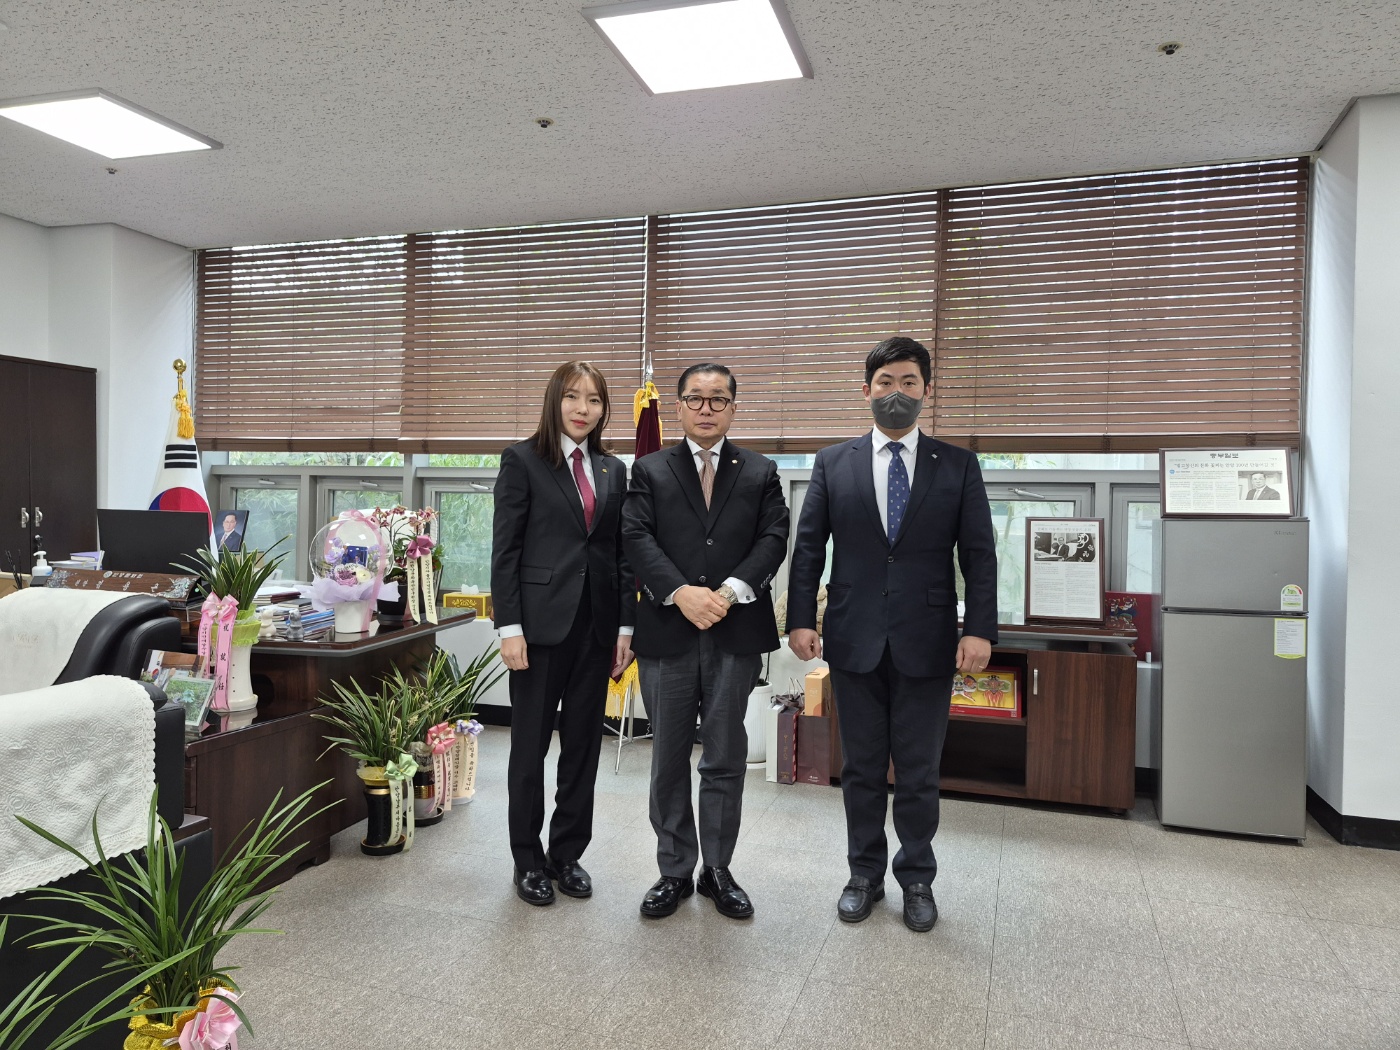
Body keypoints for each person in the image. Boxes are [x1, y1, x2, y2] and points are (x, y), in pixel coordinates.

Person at [788, 336, 998, 933]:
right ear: (866, 391)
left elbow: (979, 555)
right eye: (885, 382)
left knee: (919, 769)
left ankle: (917, 879)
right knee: (859, 768)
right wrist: (800, 618)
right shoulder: (834, 462)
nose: (896, 393)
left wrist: (980, 629)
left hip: (928, 638)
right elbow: (809, 548)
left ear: (926, 390)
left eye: (908, 382)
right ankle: (863, 875)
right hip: (853, 635)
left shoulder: (957, 464)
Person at [621, 363, 789, 920]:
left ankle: (717, 868)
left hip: (735, 631)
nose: (707, 408)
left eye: (719, 399)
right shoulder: (649, 469)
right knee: (668, 758)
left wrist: (731, 591)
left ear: (734, 407)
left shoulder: (761, 470)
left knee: (724, 755)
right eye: (695, 398)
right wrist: (680, 593)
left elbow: (774, 537)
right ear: (679, 407)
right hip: (668, 630)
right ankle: (674, 869)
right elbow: (636, 536)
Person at [491, 360, 636, 907]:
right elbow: (505, 551)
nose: (583, 408)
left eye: (594, 400)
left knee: (582, 749)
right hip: (537, 629)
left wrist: (625, 626)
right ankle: (527, 860)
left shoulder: (612, 469)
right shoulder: (522, 460)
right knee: (529, 750)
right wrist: (510, 628)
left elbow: (619, 554)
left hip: (596, 629)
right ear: (555, 400)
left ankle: (567, 854)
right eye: (573, 396)